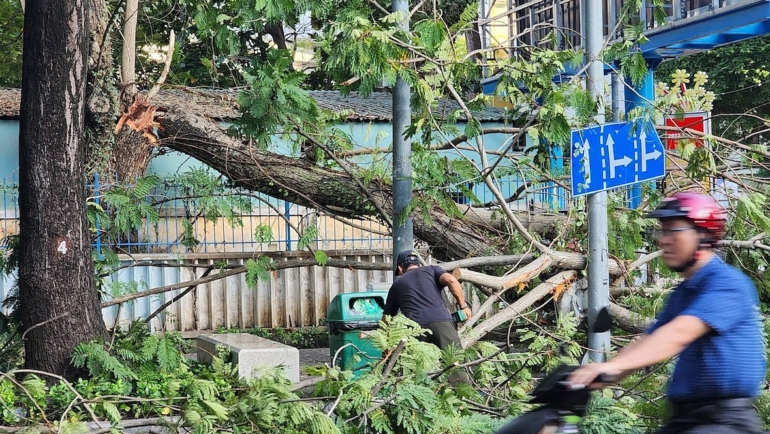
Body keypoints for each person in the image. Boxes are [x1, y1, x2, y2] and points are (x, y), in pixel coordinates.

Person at [568, 191, 767, 434]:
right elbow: (650, 340)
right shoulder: (683, 294)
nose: (663, 240)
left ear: (702, 234)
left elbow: (678, 333)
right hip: (685, 421)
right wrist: (605, 371)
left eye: (673, 229)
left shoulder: (727, 283)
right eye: (662, 231)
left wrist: (607, 369)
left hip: (723, 423)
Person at [382, 250, 472, 350]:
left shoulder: (396, 285)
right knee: (453, 361)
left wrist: (386, 344)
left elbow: (387, 318)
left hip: (415, 330)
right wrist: (463, 306)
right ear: (419, 264)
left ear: (400, 268)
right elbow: (451, 280)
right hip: (441, 324)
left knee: (421, 364)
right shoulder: (432, 270)